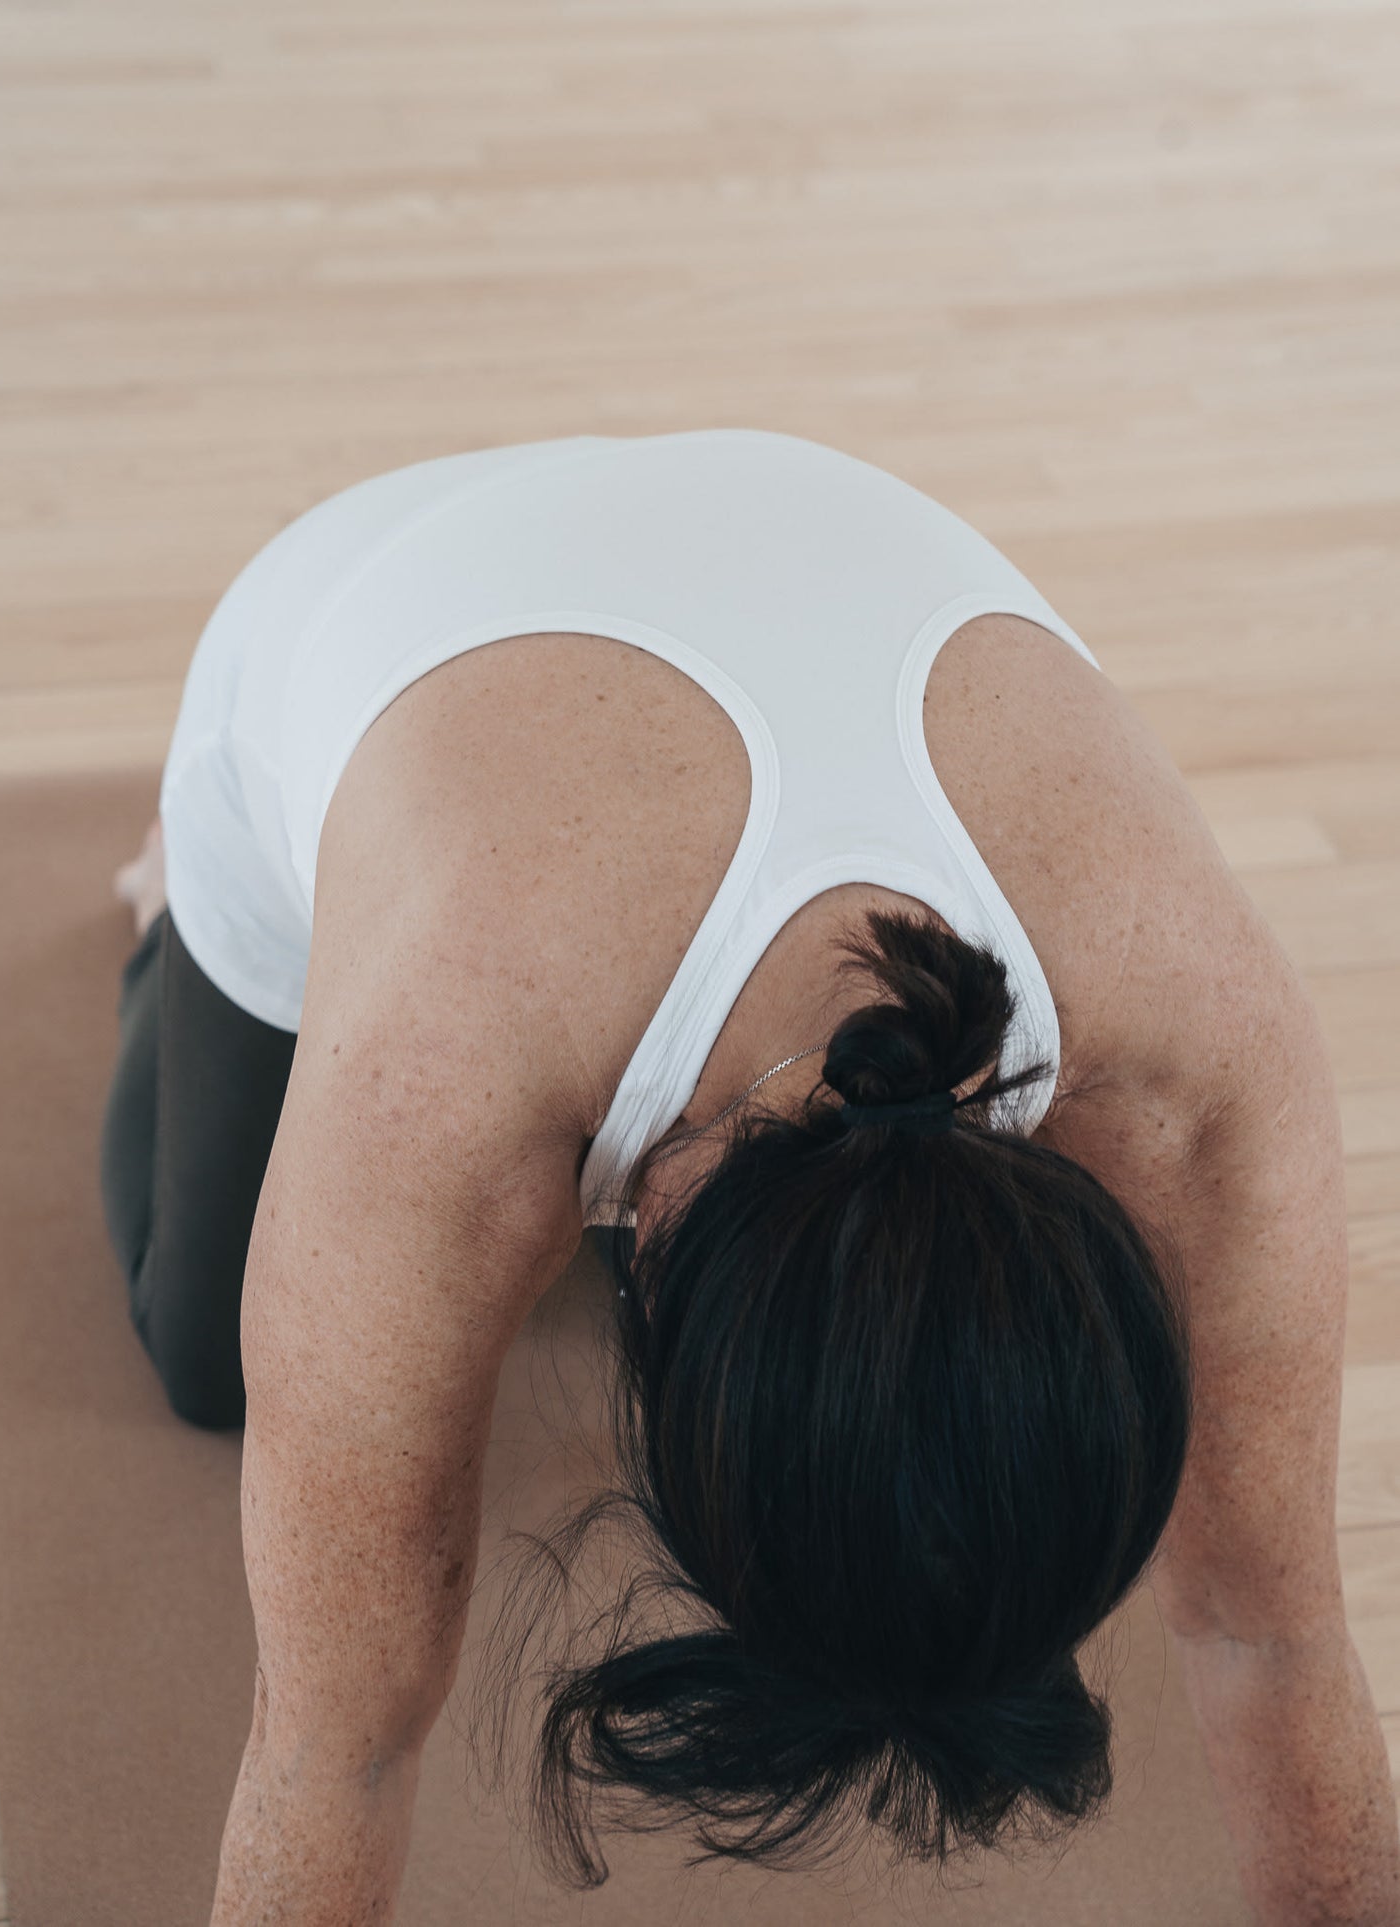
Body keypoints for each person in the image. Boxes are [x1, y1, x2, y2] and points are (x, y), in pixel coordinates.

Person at [98, 429, 1398, 1924]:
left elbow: (1272, 1636)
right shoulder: (440, 1083)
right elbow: (333, 1744)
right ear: (654, 1277)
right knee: (209, 1356)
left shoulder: (1193, 1053)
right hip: (349, 614)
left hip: (777, 561)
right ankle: (159, 902)